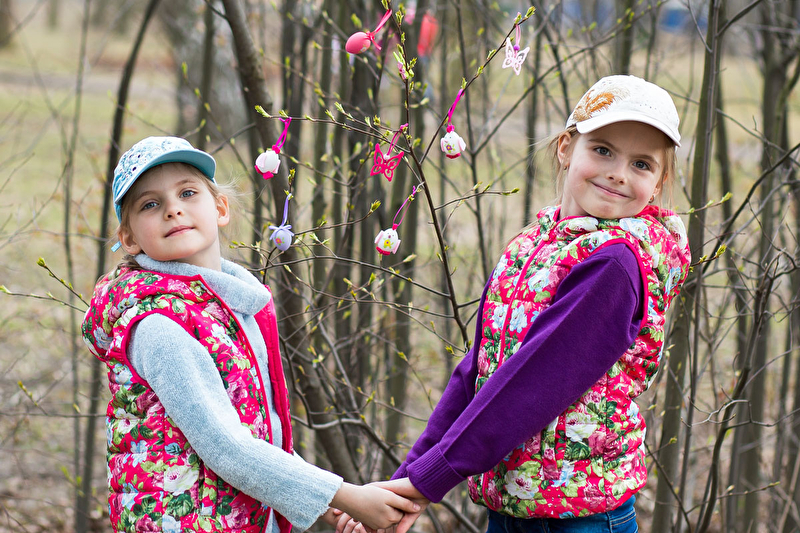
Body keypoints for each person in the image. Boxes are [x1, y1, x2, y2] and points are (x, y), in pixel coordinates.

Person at [369, 75, 693, 533]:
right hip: (513, 510)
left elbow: (532, 382)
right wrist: (403, 484)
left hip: (579, 518)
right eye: (603, 150)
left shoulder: (615, 265)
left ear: (658, 184)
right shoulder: (530, 246)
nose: (619, 173)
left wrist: (428, 481)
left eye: (642, 164)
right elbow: (478, 371)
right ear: (566, 147)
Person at [81, 136, 420, 533]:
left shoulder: (225, 306)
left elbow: (254, 435)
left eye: (187, 193)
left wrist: (329, 504)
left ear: (220, 208)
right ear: (130, 239)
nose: (173, 209)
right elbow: (226, 446)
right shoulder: (158, 325)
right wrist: (345, 495)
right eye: (150, 204)